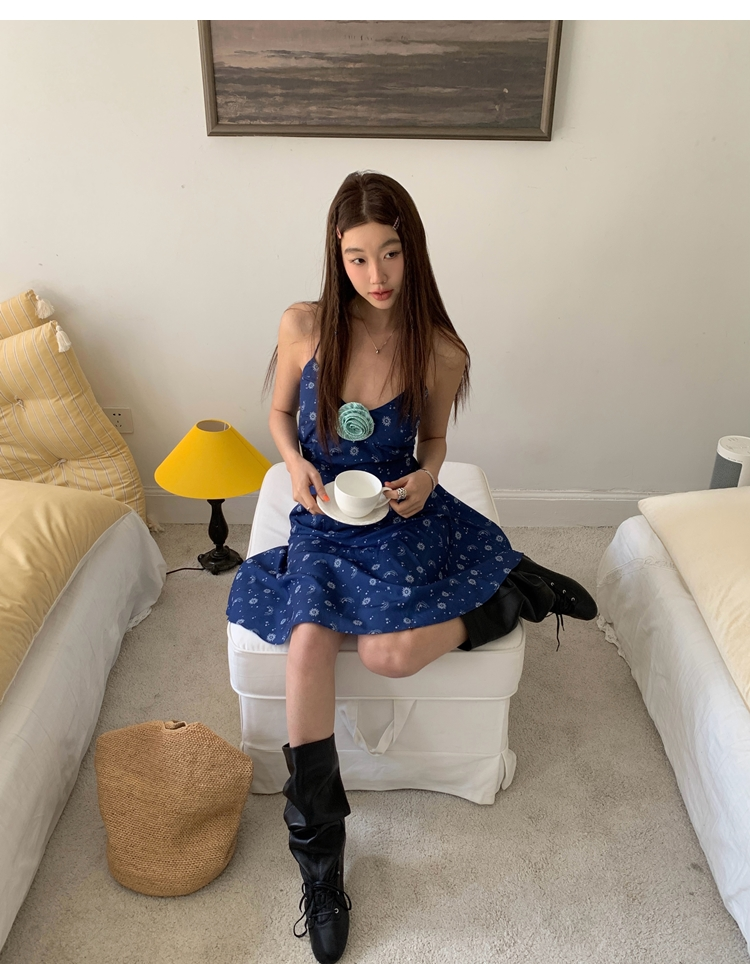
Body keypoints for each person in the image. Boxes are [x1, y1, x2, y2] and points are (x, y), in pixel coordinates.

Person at [226, 170, 597, 964]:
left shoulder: (439, 348)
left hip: (398, 512)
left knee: (390, 655)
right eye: (358, 257)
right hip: (326, 516)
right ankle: (320, 862)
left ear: (413, 250)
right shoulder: (303, 326)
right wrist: (292, 462)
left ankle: (512, 592)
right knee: (306, 640)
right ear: (337, 254)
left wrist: (427, 477)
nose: (377, 274)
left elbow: (433, 441)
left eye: (391, 253)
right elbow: (281, 413)